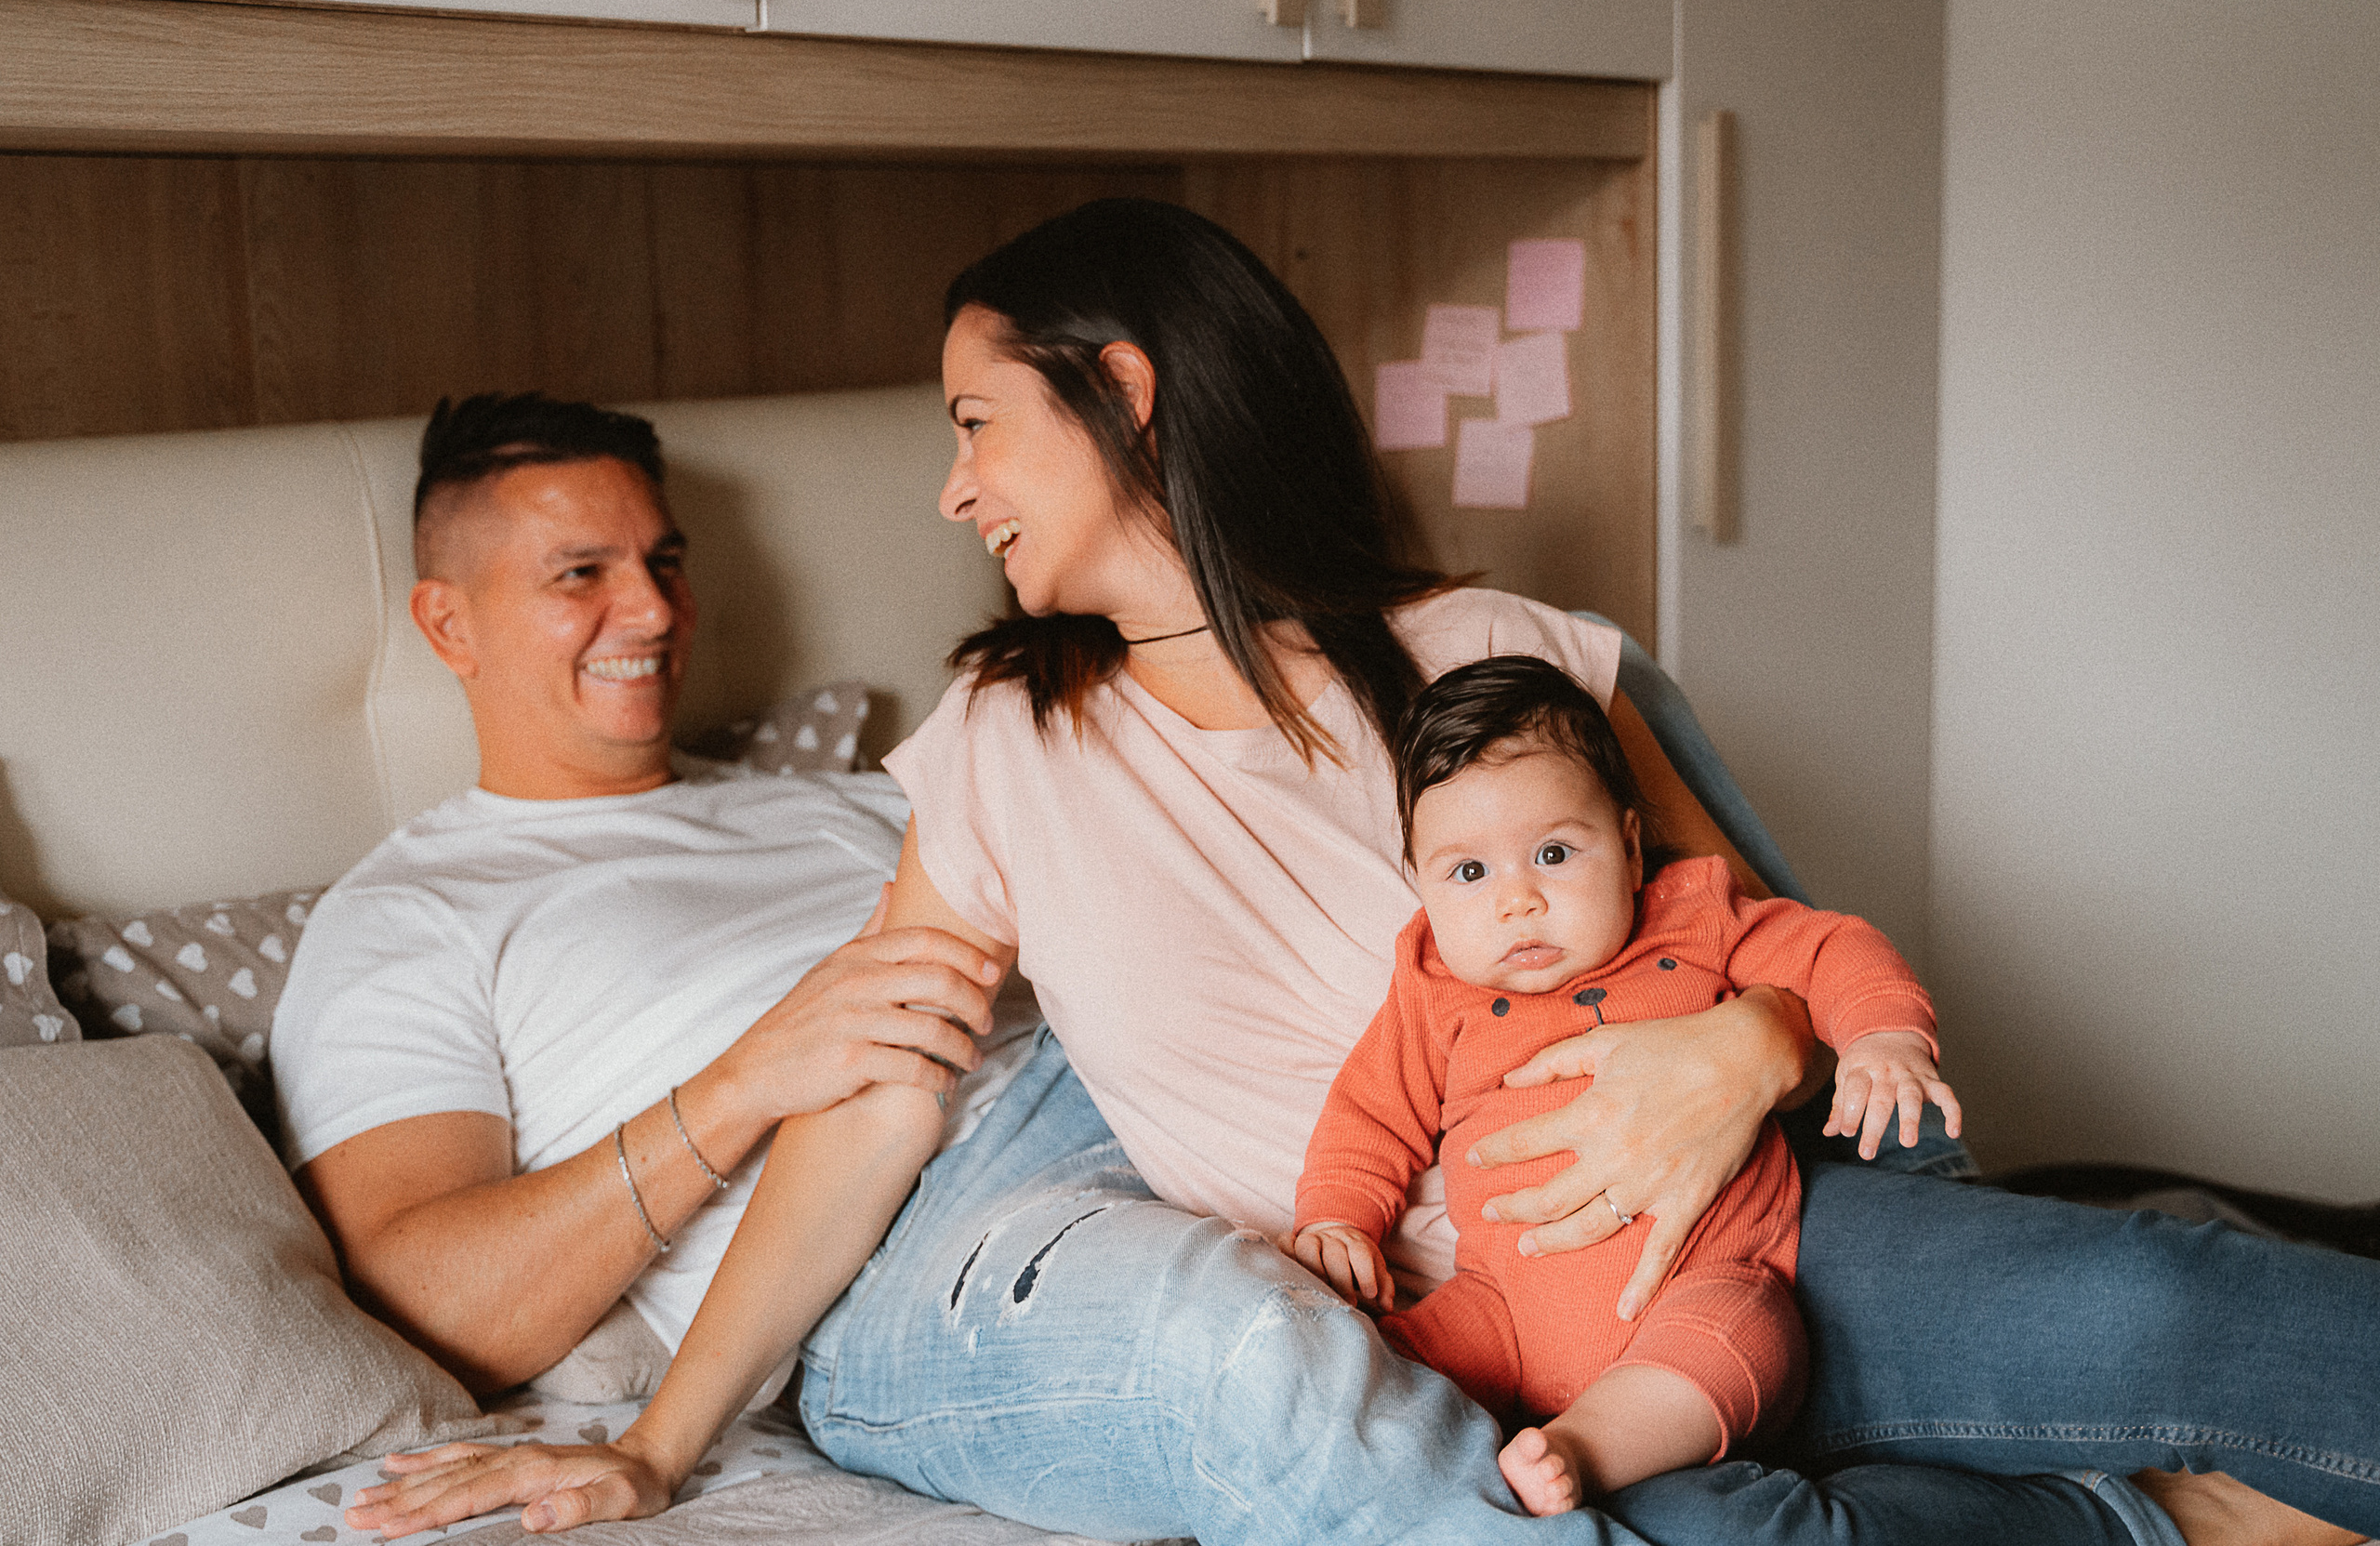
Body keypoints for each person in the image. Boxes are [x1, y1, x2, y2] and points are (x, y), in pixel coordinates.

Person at [345, 202, 2377, 1546]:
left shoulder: (1497, 648)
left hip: (1745, 1237)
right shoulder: (998, 743)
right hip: (1448, 1332)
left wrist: (1755, 1042)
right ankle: (2134, 1515)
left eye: (978, 424)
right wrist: (659, 1443)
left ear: (1125, 392)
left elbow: (1756, 940)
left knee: (2163, 1293)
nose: (953, 488)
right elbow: (871, 1098)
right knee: (1689, 1518)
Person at [273, 392, 1024, 1409]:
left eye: (664, 563)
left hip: (1151, 1116)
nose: (657, 612)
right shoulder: (408, 914)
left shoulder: (868, 797)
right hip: (932, 1250)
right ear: (450, 624)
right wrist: (746, 1081)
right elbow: (431, 1309)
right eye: (581, 573)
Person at [1289, 654, 1961, 1514]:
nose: (1517, 900)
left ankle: (1584, 1447)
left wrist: (1883, 1033)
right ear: (1420, 883)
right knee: (1367, 1371)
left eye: (1554, 853)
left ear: (1632, 846)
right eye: (1469, 872)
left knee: (1750, 1339)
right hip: (1504, 1308)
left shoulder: (1694, 915)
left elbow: (1829, 947)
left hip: (1699, 1280)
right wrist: (1337, 1218)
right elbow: (1370, 1112)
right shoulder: (1432, 986)